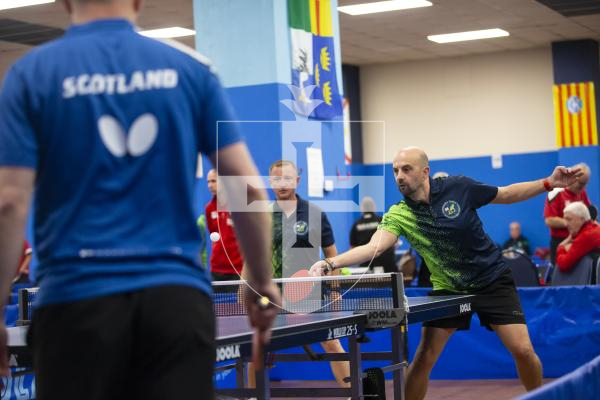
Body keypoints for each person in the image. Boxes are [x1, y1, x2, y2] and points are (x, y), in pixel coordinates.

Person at [0, 0, 280, 398]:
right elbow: (247, 187)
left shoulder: (31, 74)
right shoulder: (191, 70)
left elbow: (9, 203)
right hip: (174, 303)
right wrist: (261, 283)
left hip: (76, 301)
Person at [310, 146, 584, 399]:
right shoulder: (399, 214)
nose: (399, 176)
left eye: (406, 169)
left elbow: (506, 193)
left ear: (425, 171)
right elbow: (373, 247)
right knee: (425, 356)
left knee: (523, 351)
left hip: (491, 280)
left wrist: (548, 183)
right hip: (449, 291)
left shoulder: (459, 187)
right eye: (395, 171)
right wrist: (330, 263)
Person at [246, 160, 350, 388]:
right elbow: (251, 257)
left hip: (309, 295)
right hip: (269, 297)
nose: (282, 184)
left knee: (332, 343)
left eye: (287, 178)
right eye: (276, 179)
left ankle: (354, 393)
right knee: (258, 350)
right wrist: (242, 290)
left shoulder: (315, 214)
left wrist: (335, 292)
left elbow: (333, 257)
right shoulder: (262, 214)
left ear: (297, 181)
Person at [544, 163, 591, 264]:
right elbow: (549, 220)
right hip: (560, 240)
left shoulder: (582, 192)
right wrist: (571, 223)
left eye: (585, 184)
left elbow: (589, 215)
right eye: (581, 184)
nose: (583, 188)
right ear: (574, 178)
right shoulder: (556, 192)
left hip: (579, 240)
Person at [204, 169, 244, 281]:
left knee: (239, 299)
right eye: (208, 182)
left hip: (238, 269)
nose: (210, 185)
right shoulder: (209, 208)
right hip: (216, 268)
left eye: (214, 181)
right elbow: (213, 233)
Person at [349, 196, 396, 272]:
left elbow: (353, 248)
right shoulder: (382, 220)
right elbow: (393, 241)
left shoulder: (356, 224)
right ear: (373, 207)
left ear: (362, 209)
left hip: (365, 262)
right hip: (386, 261)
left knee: (369, 283)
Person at [556, 202, 600, 273]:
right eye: (565, 219)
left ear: (582, 219)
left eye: (569, 219)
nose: (566, 224)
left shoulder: (585, 236)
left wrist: (561, 247)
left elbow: (563, 264)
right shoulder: (594, 228)